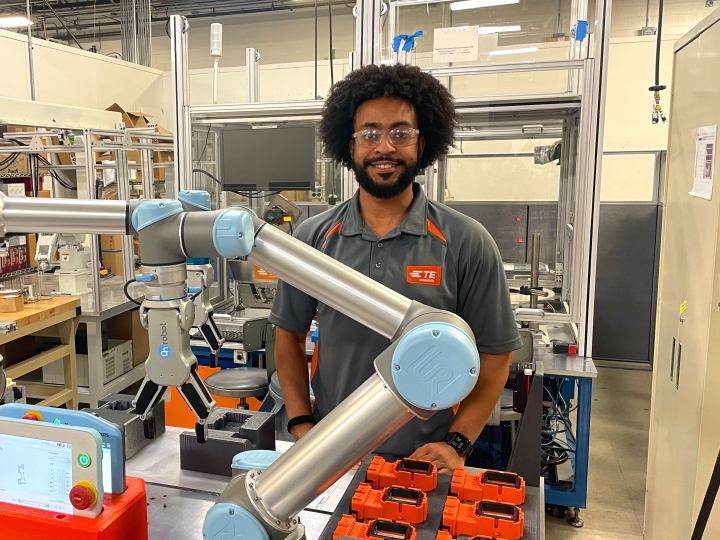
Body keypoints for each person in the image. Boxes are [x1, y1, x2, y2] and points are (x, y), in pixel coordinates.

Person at [268, 63, 523, 473]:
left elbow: (495, 357)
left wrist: (457, 443)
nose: (384, 147)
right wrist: (301, 423)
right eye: (369, 134)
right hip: (330, 454)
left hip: (422, 461)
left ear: (423, 144)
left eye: (400, 133)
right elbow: (288, 338)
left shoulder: (465, 242)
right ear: (348, 146)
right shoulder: (314, 238)